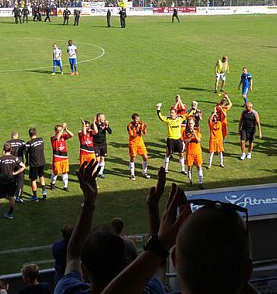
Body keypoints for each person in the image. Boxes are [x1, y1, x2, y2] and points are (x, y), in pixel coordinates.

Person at [104, 169, 257, 294]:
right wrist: (236, 275)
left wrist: (160, 244)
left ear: (175, 259)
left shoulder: (156, 289)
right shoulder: (243, 273)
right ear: (247, 271)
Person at [54, 160, 163, 294]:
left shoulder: (66, 290)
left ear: (83, 269)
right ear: (127, 265)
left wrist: (89, 202)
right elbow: (157, 262)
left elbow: (74, 254)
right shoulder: (150, 291)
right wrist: (153, 207)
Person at [0, 143, 26, 220]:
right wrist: (16, 173)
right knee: (11, 197)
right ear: (11, 150)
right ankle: (10, 213)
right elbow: (23, 166)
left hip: (2, 182)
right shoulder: (15, 158)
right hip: (11, 181)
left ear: (3, 150)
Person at [157, 103, 188, 174]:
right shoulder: (168, 119)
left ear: (176, 113)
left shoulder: (180, 118)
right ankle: (166, 169)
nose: (171, 114)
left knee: (181, 154)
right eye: (170, 113)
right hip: (170, 139)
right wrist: (158, 109)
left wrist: (193, 108)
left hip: (178, 139)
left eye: (172, 113)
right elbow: (160, 117)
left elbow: (187, 115)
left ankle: (183, 169)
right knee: (168, 153)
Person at [50, 123, 74, 192]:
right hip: (57, 157)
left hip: (64, 157)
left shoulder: (63, 136)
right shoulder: (53, 137)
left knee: (65, 172)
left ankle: (65, 186)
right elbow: (57, 137)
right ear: (55, 130)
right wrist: (63, 129)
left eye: (61, 130)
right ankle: (52, 184)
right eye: (59, 130)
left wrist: (66, 129)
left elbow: (72, 135)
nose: (60, 131)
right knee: (55, 172)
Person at [127, 113, 150, 180]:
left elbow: (144, 133)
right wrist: (139, 130)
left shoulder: (141, 123)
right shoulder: (130, 126)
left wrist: (144, 128)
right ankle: (132, 174)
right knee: (133, 158)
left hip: (140, 142)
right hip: (133, 143)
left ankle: (144, 172)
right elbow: (132, 136)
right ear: (133, 119)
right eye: (136, 119)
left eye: (138, 119)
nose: (138, 120)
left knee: (145, 157)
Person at [25, 128, 47, 201]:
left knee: (33, 179)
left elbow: (26, 153)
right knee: (41, 176)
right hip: (42, 161)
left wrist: (27, 162)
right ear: (36, 133)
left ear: (29, 134)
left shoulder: (28, 143)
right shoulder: (41, 140)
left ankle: (35, 196)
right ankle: (44, 192)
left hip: (34, 163)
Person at [183, 118, 204, 188]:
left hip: (197, 152)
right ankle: (190, 181)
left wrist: (194, 134)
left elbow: (198, 140)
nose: (190, 125)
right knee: (189, 167)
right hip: (189, 152)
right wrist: (191, 138)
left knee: (199, 166)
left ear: (194, 124)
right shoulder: (185, 132)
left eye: (191, 123)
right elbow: (185, 141)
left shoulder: (197, 131)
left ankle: (201, 182)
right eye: (189, 123)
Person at [6, 131, 26, 203]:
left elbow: (4, 154)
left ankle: (11, 194)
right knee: (20, 180)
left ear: (11, 137)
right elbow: (26, 152)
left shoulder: (8, 142)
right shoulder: (22, 142)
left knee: (11, 179)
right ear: (17, 136)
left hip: (11, 164)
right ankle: (18, 197)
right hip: (20, 164)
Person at [92, 113, 112, 179]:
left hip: (103, 144)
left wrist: (107, 127)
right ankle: (95, 172)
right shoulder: (94, 125)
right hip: (96, 144)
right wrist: (102, 128)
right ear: (99, 118)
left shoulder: (104, 124)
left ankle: (101, 172)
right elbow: (96, 132)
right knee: (97, 159)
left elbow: (110, 132)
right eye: (103, 117)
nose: (104, 118)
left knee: (102, 158)